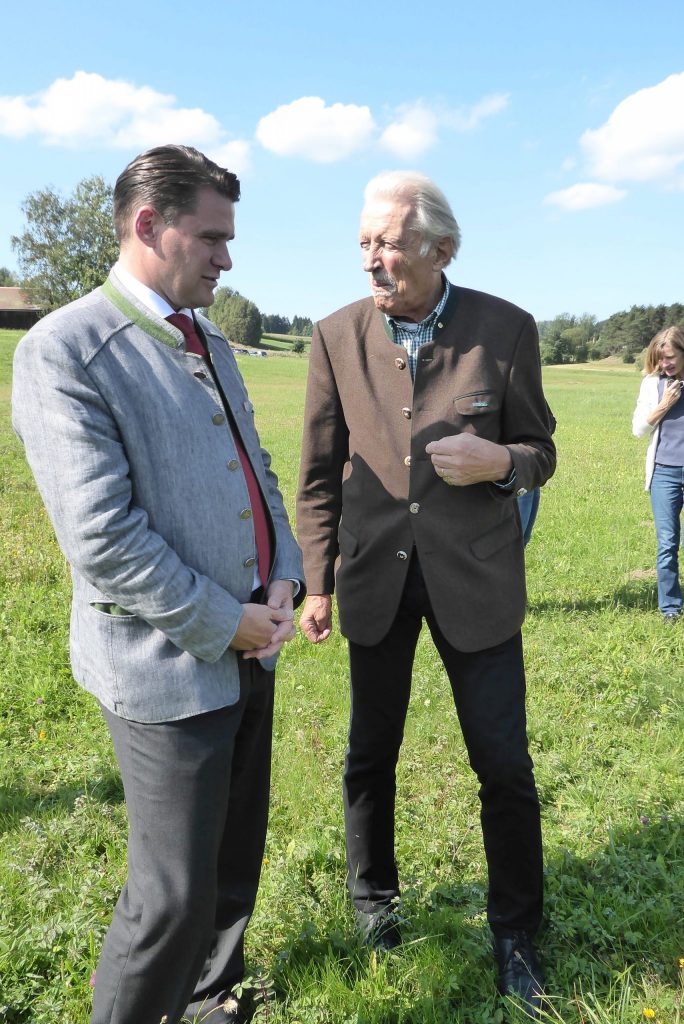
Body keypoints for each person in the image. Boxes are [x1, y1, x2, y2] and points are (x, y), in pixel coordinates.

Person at [12, 144, 304, 1024]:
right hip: (165, 668)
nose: (226, 258)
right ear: (148, 224)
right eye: (211, 237)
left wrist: (284, 575)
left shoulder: (207, 339)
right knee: (170, 897)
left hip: (252, 647)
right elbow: (102, 537)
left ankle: (209, 1003)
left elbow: (257, 470)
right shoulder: (66, 350)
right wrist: (226, 621)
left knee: (231, 864)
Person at [296, 171, 556, 1017]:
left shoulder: (505, 329)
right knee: (370, 754)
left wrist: (501, 462)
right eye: (364, 243)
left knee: (503, 765)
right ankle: (373, 903)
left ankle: (517, 933)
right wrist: (316, 581)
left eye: (389, 243)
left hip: (476, 582)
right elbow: (318, 475)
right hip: (374, 578)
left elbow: (540, 449)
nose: (372, 259)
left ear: (441, 248)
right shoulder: (335, 336)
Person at [632, 325, 684, 623]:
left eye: (670, 357)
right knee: (667, 543)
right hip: (664, 473)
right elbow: (638, 429)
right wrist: (665, 404)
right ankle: (670, 608)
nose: (665, 364)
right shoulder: (653, 384)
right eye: (660, 359)